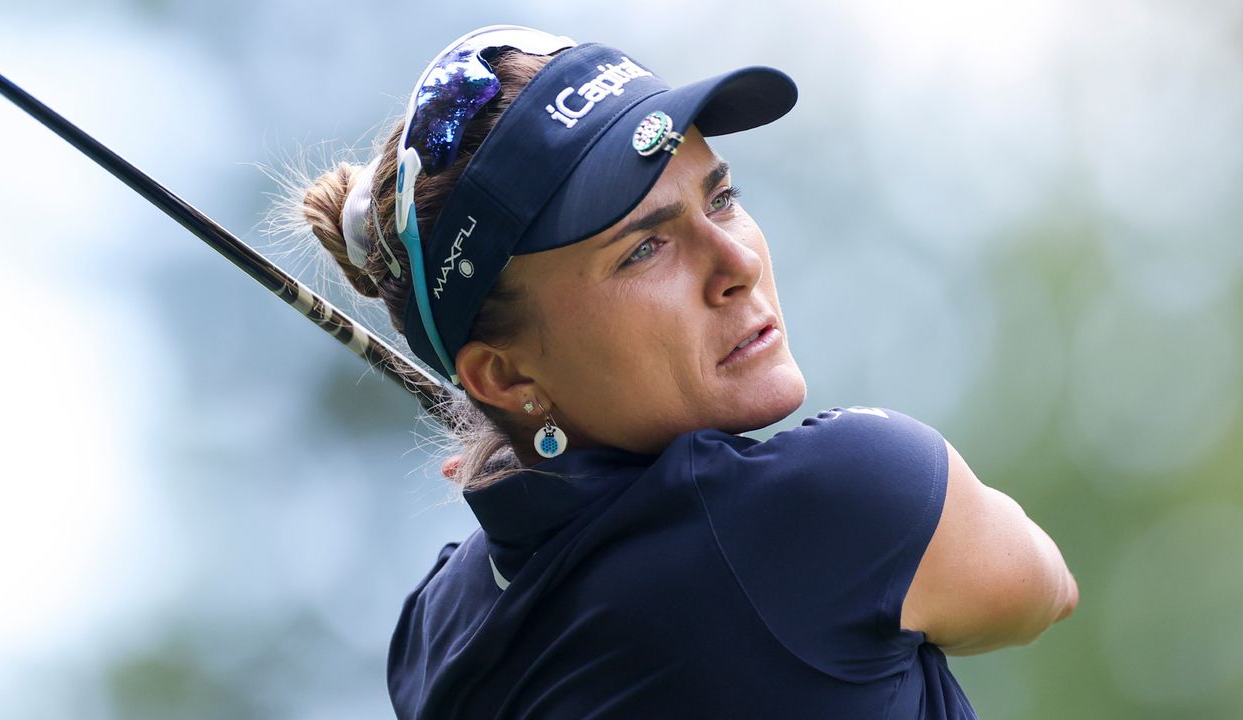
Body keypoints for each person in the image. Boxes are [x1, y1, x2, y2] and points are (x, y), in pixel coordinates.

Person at [294, 24, 1078, 719]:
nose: (736, 263)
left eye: (723, 196)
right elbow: (1038, 587)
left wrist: (534, 451)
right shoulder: (840, 504)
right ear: (500, 375)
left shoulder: (434, 635)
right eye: (644, 247)